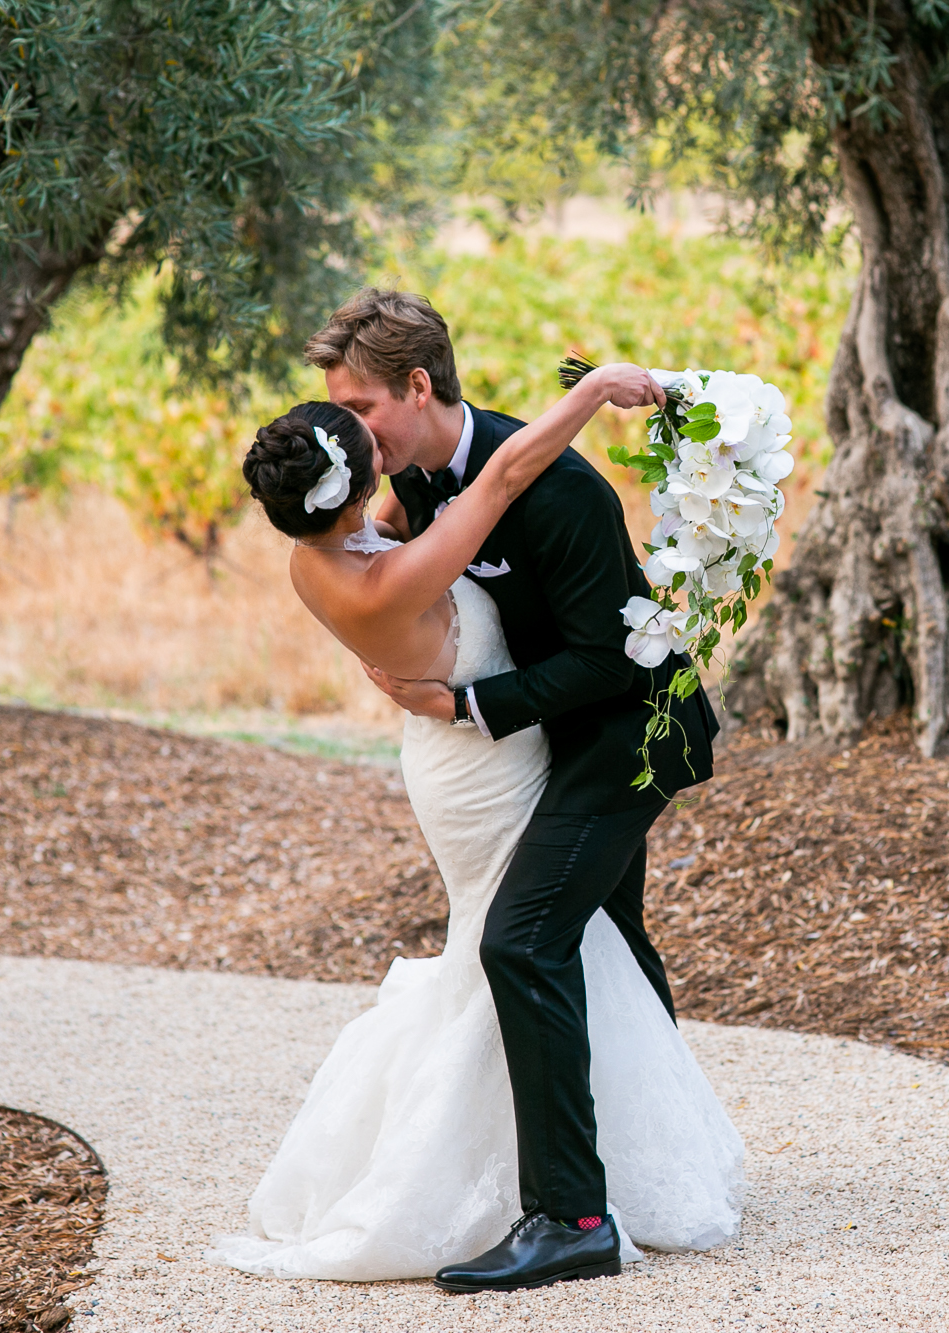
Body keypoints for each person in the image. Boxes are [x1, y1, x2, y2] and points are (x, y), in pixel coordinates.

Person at [207, 301, 742, 1291]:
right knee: (603, 937)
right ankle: (656, 1162)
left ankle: (572, 1215)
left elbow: (608, 663)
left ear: (417, 387)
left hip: (621, 737)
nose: (352, 431)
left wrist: (468, 701)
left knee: (520, 939)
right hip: (529, 747)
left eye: (360, 405)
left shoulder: (561, 492)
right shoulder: (403, 481)